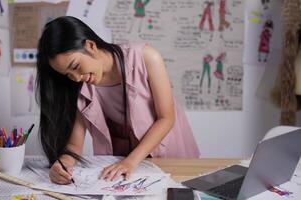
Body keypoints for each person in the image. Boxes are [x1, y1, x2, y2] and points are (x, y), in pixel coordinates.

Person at [36, 16, 200, 185]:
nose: (76, 78)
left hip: (170, 158)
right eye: (68, 74)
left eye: (76, 66)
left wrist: (130, 162)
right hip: (126, 172)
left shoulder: (146, 57)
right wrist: (63, 164)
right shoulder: (79, 87)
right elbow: (74, 146)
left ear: (90, 46)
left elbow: (166, 118)